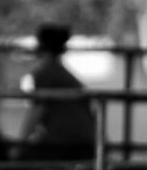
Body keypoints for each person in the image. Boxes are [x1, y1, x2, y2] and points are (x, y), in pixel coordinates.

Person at [17, 22, 95, 162]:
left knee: (23, 162)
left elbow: (36, 112)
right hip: (85, 142)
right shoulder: (64, 75)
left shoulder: (44, 74)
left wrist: (19, 145)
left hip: (64, 143)